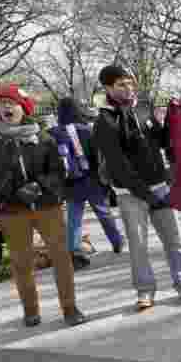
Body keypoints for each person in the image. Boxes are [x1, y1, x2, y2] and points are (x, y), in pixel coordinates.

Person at [0, 84, 86, 327]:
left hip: (47, 206)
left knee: (61, 258)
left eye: (11, 103)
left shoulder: (43, 137)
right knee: (21, 262)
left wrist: (40, 185)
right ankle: (31, 310)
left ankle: (70, 308)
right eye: (1, 103)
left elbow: (58, 171)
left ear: (23, 108)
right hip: (12, 211)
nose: (6, 107)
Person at [92, 64, 181, 311]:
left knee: (174, 239)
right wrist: (146, 194)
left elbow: (162, 140)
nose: (128, 87)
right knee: (139, 246)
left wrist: (172, 118)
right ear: (108, 88)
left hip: (160, 187)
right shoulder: (104, 121)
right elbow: (118, 165)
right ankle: (145, 290)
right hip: (130, 193)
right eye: (121, 84)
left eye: (130, 82)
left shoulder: (144, 107)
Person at [50, 97, 124, 270]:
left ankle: (74, 251)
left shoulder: (54, 133)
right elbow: (98, 156)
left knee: (74, 219)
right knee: (104, 213)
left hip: (70, 183)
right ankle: (116, 241)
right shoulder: (87, 130)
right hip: (91, 180)